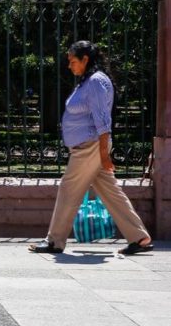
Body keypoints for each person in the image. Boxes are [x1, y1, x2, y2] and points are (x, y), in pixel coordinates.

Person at [29, 40, 154, 256]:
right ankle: (139, 236)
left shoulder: (96, 82)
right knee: (110, 191)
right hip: (91, 146)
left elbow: (103, 121)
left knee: (69, 188)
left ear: (85, 59)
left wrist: (104, 155)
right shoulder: (89, 81)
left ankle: (55, 241)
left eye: (73, 61)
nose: (70, 66)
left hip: (90, 146)